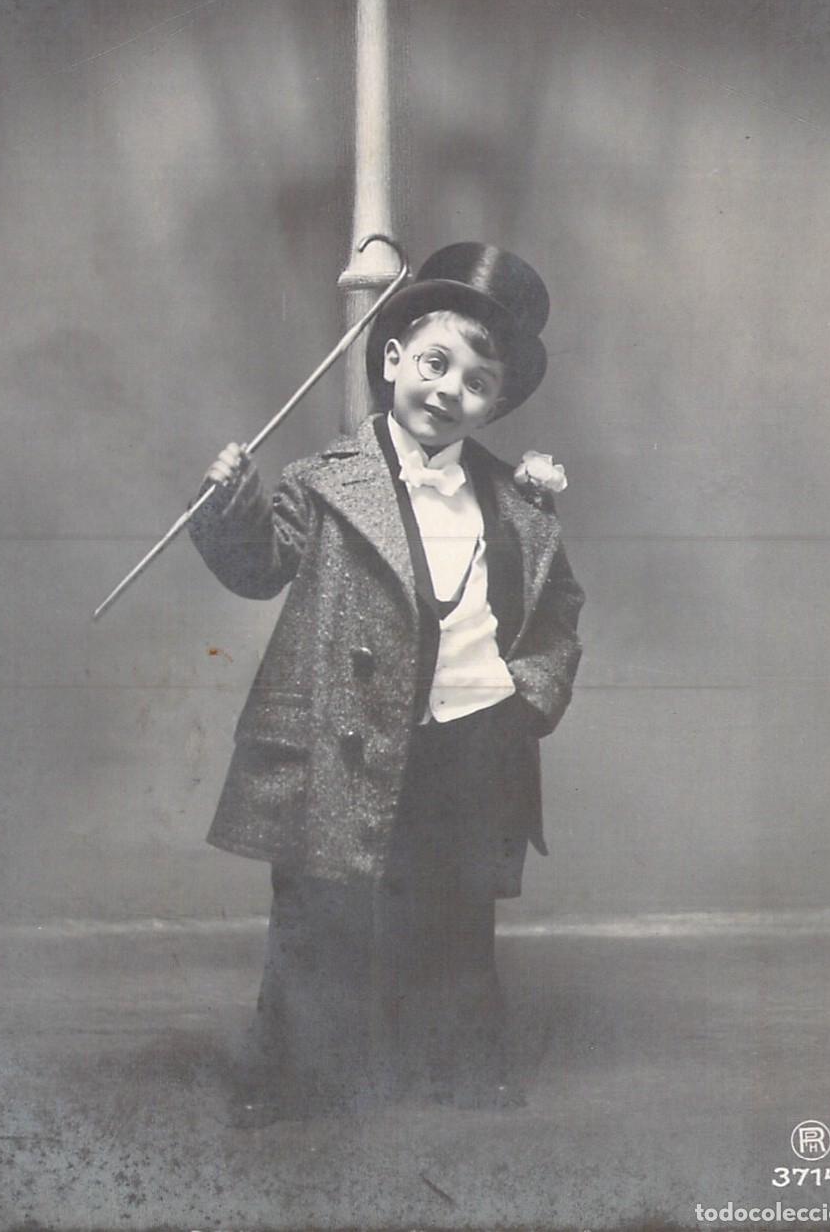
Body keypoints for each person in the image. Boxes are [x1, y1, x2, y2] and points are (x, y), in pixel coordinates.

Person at [189, 242, 585, 1125]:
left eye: (476, 383)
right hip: (347, 734)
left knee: (454, 912)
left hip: (472, 735)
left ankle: (459, 1070)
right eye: (435, 364)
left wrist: (530, 694)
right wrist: (229, 504)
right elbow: (260, 566)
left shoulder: (516, 503)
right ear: (394, 357)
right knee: (320, 912)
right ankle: (295, 1081)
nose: (448, 391)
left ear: (496, 404)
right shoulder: (324, 481)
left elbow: (557, 609)